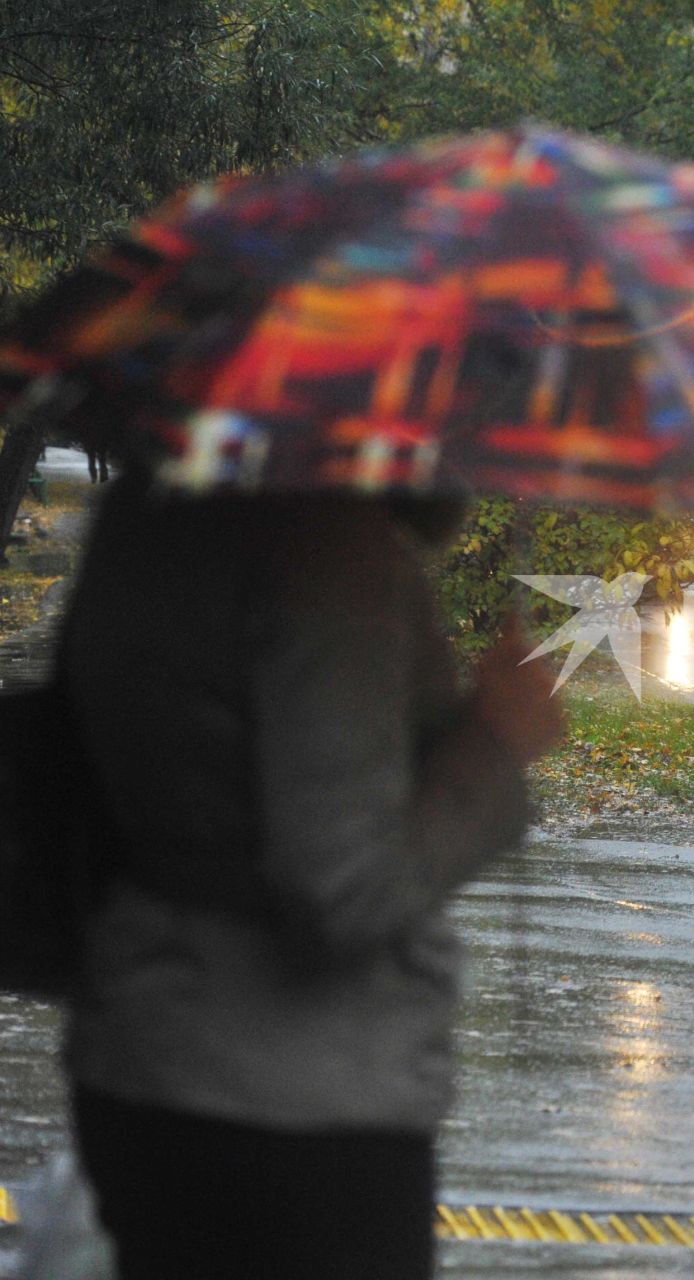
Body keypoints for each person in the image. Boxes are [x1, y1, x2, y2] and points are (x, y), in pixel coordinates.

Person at [58, 474, 563, 1279]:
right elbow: (342, 892)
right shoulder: (327, 547)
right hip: (300, 1102)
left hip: (137, 1060)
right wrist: (498, 743)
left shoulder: (144, 513)